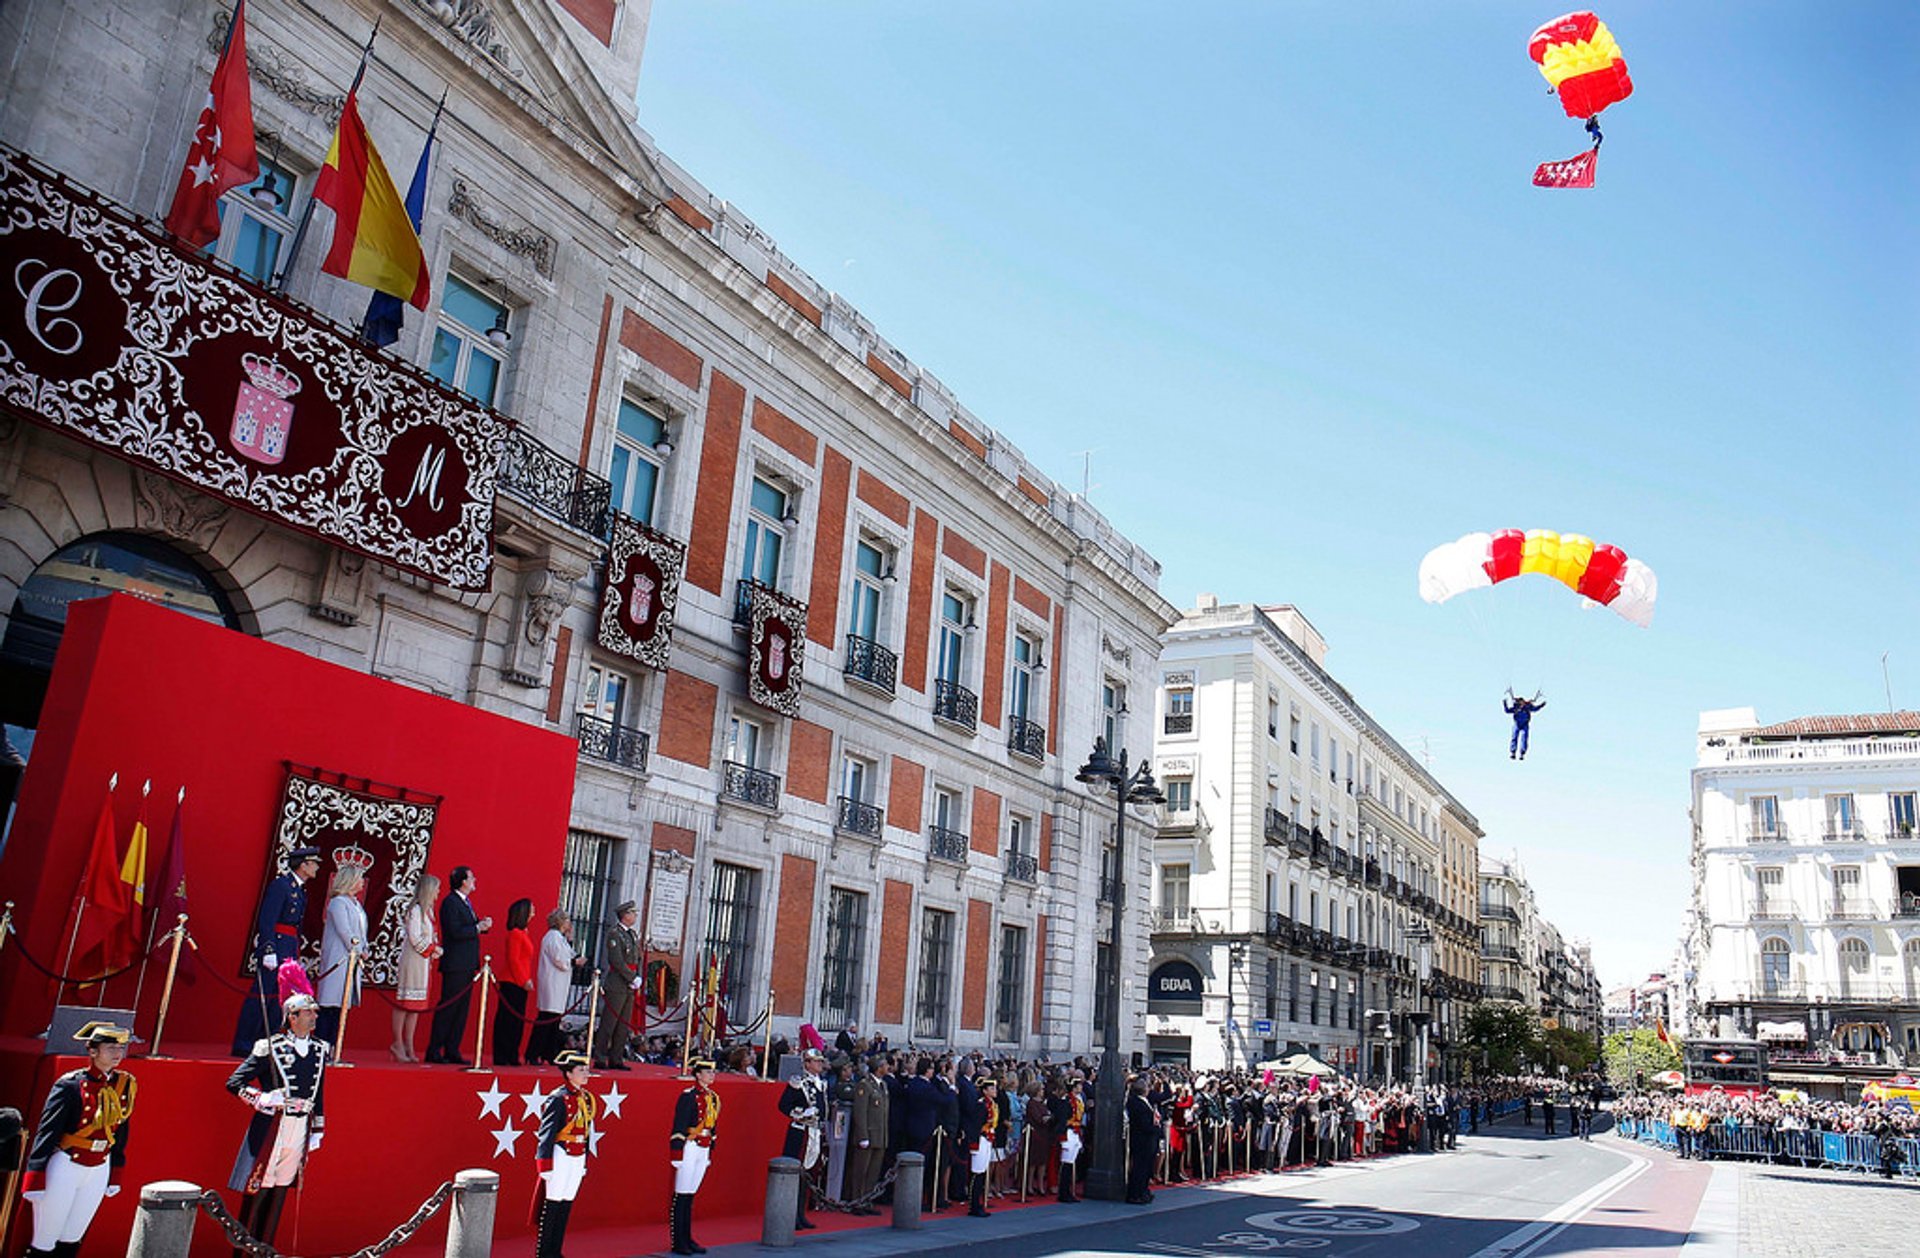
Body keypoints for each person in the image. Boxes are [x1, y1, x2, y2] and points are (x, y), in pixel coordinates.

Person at [226, 993, 329, 1251]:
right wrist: (264, 1098)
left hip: (300, 1126)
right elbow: (234, 1082)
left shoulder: (319, 1049)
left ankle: (267, 1249)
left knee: (281, 1189)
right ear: (292, 1017)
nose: (315, 1016)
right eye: (309, 1012)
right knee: (259, 1187)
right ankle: (245, 1252)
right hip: (274, 1125)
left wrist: (317, 1127)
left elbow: (319, 1091)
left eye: (315, 1011)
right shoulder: (270, 1047)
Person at [23, 1022, 135, 1258]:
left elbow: (120, 1133)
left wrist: (116, 1171)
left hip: (99, 1166)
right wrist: (35, 1176)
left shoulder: (124, 1084)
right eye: (110, 1047)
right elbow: (47, 1131)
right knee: (45, 1239)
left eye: (121, 1048)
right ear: (93, 1051)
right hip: (67, 1163)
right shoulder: (70, 1084)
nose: (117, 1053)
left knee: (73, 1237)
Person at [231, 846, 321, 1056]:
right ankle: (244, 1042)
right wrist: (268, 948)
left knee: (279, 999)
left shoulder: (299, 890)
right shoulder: (281, 886)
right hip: (276, 945)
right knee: (262, 995)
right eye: (314, 863)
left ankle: (268, 1040)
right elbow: (267, 920)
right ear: (303, 865)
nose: (316, 867)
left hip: (288, 946)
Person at [427, 865, 491, 1065]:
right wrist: (476, 928)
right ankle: (435, 1049)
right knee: (448, 1007)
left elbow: (467, 928)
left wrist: (481, 926)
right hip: (455, 963)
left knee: (461, 1009)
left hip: (467, 963)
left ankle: (452, 1049)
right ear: (463, 881)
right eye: (471, 877)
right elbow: (454, 931)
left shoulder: (465, 903)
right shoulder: (450, 902)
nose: (474, 881)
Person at [534, 1051, 596, 1258]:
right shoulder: (558, 1098)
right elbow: (547, 1133)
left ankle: (556, 1250)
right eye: (581, 1070)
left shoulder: (586, 1098)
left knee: (566, 1204)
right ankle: (544, 1253)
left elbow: (586, 1131)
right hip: (561, 1153)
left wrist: (585, 1159)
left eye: (586, 1069)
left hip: (577, 1155)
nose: (586, 1073)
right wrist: (544, 1164)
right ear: (569, 1074)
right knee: (552, 1204)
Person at [669, 1058, 722, 1254]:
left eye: (713, 1072)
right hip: (689, 1145)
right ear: (698, 1074)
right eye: (707, 1072)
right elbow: (679, 1124)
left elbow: (712, 1124)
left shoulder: (713, 1097)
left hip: (703, 1146)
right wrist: (677, 1152)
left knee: (691, 1193)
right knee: (682, 1194)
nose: (711, 1075)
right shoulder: (688, 1096)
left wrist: (711, 1147)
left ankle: (688, 1237)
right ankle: (678, 1240)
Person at [315, 861, 369, 1049]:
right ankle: (322, 1045)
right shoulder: (338, 903)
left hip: (352, 961)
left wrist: (365, 948)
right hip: (339, 959)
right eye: (359, 878)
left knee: (341, 1006)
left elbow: (360, 931)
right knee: (330, 1004)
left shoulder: (355, 904)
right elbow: (344, 930)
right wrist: (358, 949)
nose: (362, 882)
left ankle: (333, 1047)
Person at [392, 874, 442, 1062]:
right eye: (436, 889)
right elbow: (415, 937)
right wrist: (432, 949)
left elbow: (429, 934)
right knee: (405, 1002)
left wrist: (434, 948)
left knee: (416, 1005)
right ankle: (397, 1042)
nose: (438, 893)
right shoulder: (416, 910)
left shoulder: (428, 911)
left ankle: (408, 1044)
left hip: (423, 961)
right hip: (414, 959)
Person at [779, 1049, 828, 1230]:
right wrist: (800, 1113)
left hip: (815, 1132)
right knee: (797, 1172)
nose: (819, 1065)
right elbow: (783, 1105)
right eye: (816, 1062)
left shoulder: (821, 1084)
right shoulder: (797, 1083)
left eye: (820, 1061)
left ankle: (801, 1213)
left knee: (808, 1174)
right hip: (800, 1131)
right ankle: (791, 1214)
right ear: (807, 1064)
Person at [530, 909, 581, 1065]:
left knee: (553, 1021)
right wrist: (573, 963)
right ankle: (534, 1052)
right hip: (552, 983)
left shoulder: (561, 938)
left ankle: (548, 1052)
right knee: (546, 1019)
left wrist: (571, 943)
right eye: (566, 920)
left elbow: (569, 953)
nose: (569, 924)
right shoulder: (552, 937)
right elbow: (559, 960)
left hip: (559, 984)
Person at [594, 901, 641, 1070]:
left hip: (629, 984)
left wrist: (638, 977)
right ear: (625, 915)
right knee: (609, 1022)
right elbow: (616, 960)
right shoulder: (615, 934)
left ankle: (616, 1058)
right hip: (617, 983)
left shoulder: (632, 935)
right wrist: (631, 977)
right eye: (633, 913)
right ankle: (600, 1056)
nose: (635, 916)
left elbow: (637, 958)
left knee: (623, 1025)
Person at [492, 897, 536, 1066]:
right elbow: (513, 960)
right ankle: (503, 1054)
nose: (533, 912)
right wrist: (523, 980)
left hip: (521, 982)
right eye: (531, 909)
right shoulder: (515, 934)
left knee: (516, 1021)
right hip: (512, 982)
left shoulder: (523, 933)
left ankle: (512, 1053)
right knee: (507, 1020)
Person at [846, 1055, 889, 1213]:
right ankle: (857, 1201)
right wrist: (862, 1135)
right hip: (868, 1135)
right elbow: (860, 1112)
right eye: (884, 1065)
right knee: (860, 1171)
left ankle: (868, 1200)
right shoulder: (865, 1085)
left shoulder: (882, 1085)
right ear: (878, 1067)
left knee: (873, 1172)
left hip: (879, 1135)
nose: (887, 1067)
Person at [966, 1076, 1005, 1217]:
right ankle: (974, 1205)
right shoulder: (981, 1105)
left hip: (989, 1138)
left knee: (982, 1172)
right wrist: (974, 1144)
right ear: (984, 1091)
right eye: (991, 1088)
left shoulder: (993, 1104)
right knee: (977, 1172)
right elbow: (975, 1126)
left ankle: (978, 1203)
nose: (995, 1090)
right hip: (981, 1139)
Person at [1048, 1076, 1085, 1203]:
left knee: (1070, 1162)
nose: (1081, 1087)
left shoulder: (1077, 1100)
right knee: (1066, 1163)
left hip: (1075, 1131)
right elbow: (1062, 1118)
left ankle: (1067, 1191)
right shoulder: (1067, 1101)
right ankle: (1063, 1192)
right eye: (1079, 1085)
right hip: (1068, 1131)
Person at [1125, 1075, 1159, 1204]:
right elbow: (1143, 1124)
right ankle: (1135, 1194)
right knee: (1139, 1168)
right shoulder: (1136, 1103)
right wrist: (1156, 1129)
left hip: (1148, 1139)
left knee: (1146, 1167)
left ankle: (1143, 1190)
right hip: (1141, 1139)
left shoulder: (1144, 1101)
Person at [1504, 691, 1545, 760]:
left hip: (1525, 725)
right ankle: (1513, 752)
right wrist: (1505, 704)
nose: (1522, 704)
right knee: (1514, 737)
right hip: (1517, 724)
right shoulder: (1516, 708)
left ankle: (1522, 753)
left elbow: (1535, 709)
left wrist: (1541, 706)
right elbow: (1507, 711)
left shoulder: (1528, 707)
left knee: (1524, 738)